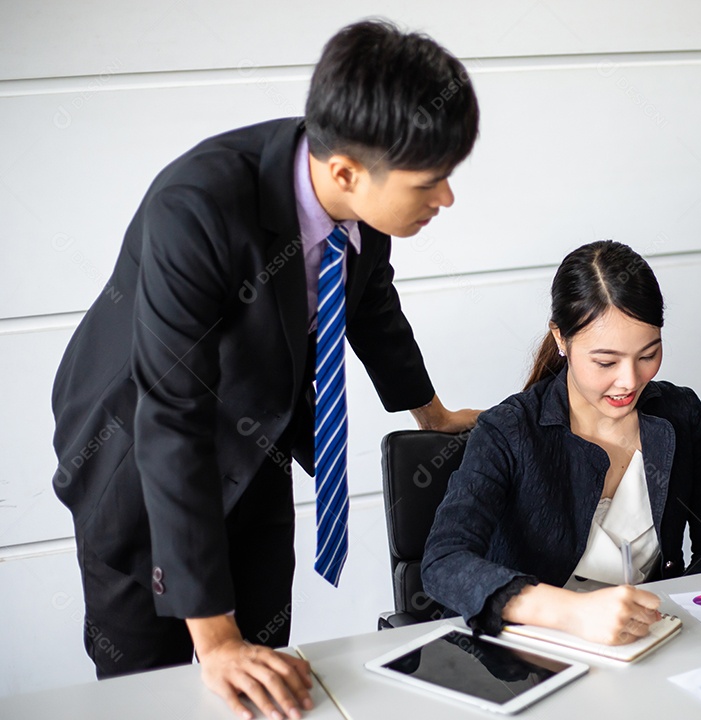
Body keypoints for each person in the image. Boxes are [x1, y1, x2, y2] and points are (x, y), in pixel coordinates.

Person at [51, 20, 480, 720]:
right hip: (134, 451)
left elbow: (368, 299)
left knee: (268, 671)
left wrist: (430, 412)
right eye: (431, 183)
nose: (446, 200)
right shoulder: (196, 207)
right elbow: (171, 418)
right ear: (345, 172)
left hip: (254, 429)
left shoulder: (353, 181)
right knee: (152, 690)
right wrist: (215, 641)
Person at [422, 240, 701, 645]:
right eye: (605, 362)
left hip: (649, 641)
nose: (629, 381)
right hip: (528, 650)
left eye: (648, 355)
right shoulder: (508, 431)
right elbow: (443, 562)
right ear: (561, 338)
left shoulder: (681, 413)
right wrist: (572, 612)